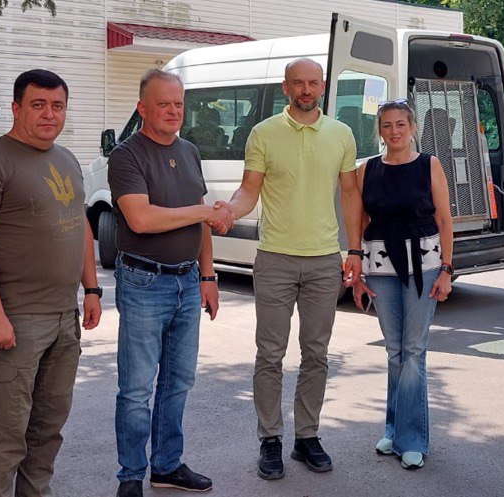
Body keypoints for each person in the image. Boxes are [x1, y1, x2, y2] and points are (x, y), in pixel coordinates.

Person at [0, 68, 102, 497]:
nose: (49, 114)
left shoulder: (67, 159)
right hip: (14, 319)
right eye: (38, 105)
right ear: (17, 108)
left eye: (57, 106)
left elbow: (81, 227)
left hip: (63, 318)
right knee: (6, 436)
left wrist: (90, 289)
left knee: (47, 430)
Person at [219, 57, 363, 480]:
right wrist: (229, 210)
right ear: (286, 88)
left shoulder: (342, 134)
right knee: (270, 355)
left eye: (312, 83)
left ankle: (306, 437)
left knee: (316, 354)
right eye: (298, 83)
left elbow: (351, 195)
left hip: (324, 260)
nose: (305, 90)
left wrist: (353, 249)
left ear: (322, 87)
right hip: (275, 259)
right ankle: (270, 439)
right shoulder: (263, 133)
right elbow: (249, 191)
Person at [109, 68, 229, 496]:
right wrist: (203, 213)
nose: (174, 111)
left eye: (179, 103)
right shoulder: (126, 156)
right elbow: (141, 219)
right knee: (137, 389)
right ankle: (130, 477)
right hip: (144, 281)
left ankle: (166, 465)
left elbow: (202, 223)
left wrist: (209, 275)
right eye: (164, 103)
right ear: (143, 108)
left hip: (187, 280)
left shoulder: (190, 151)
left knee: (179, 382)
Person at [350, 97, 454, 470]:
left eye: (400, 124)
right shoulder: (368, 170)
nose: (394, 131)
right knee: (394, 351)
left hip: (423, 267)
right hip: (380, 268)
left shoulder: (429, 166)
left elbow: (444, 219)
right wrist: (357, 272)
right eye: (387, 125)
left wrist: (446, 269)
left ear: (412, 129)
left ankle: (412, 439)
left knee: (413, 351)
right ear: (379, 131)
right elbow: (360, 223)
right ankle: (394, 430)